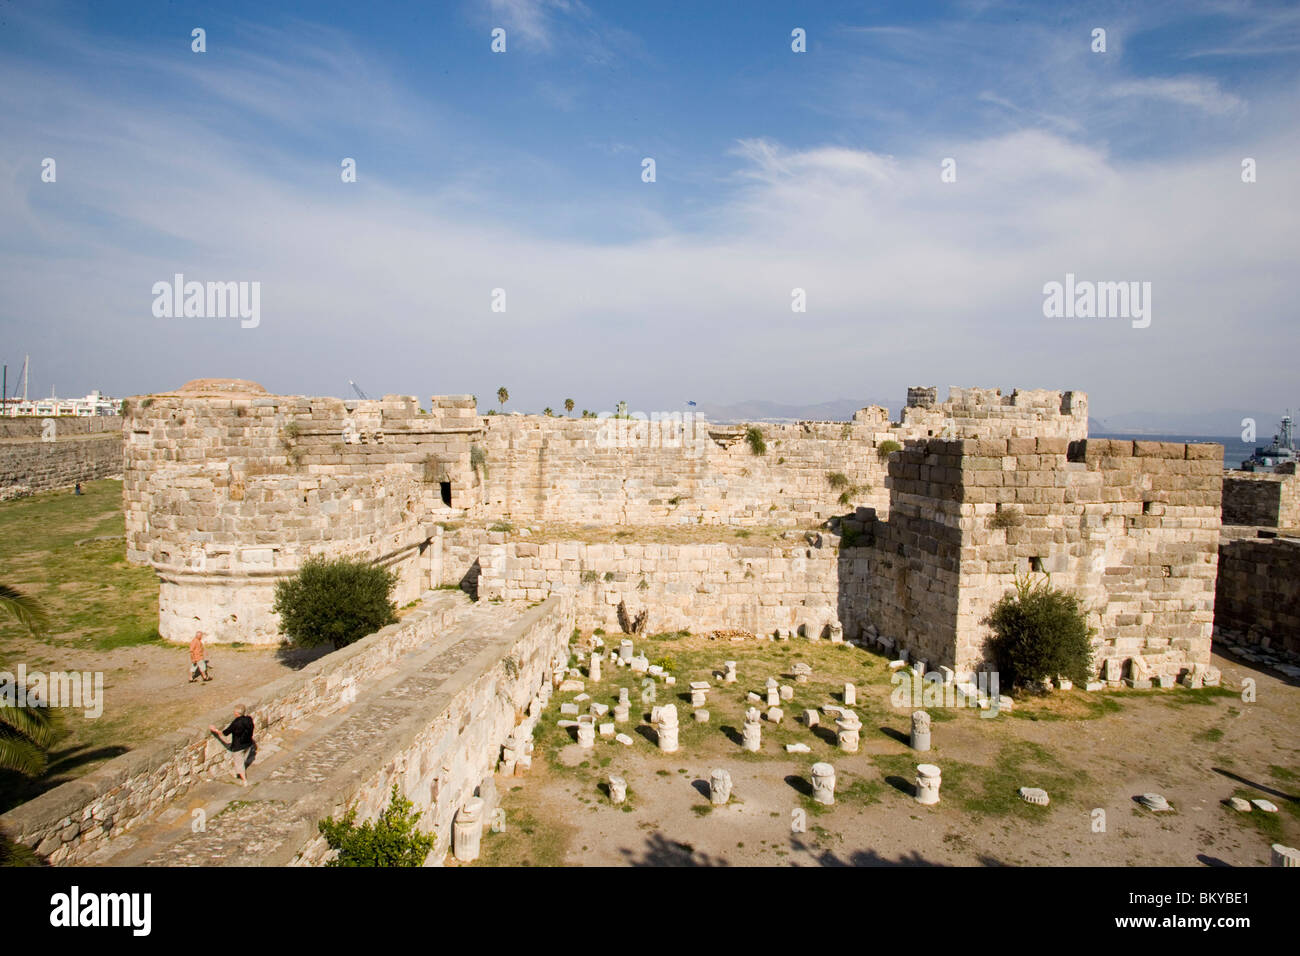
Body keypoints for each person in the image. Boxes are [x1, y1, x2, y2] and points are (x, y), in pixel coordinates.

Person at [210, 705, 255, 786]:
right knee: (243, 760)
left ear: (237, 713)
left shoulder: (236, 723)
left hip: (238, 746)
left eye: (234, 712)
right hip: (248, 743)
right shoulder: (249, 719)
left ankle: (244, 780)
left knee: (239, 763)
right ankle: (238, 772)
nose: (234, 713)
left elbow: (225, 733)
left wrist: (215, 730)